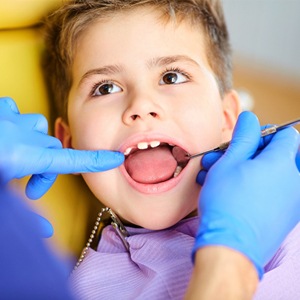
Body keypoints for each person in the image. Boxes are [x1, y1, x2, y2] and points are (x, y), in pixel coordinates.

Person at [0, 0, 299, 298]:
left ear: (227, 118)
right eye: (105, 88)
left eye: (172, 77)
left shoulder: (285, 197)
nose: (141, 105)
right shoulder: (86, 289)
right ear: (69, 141)